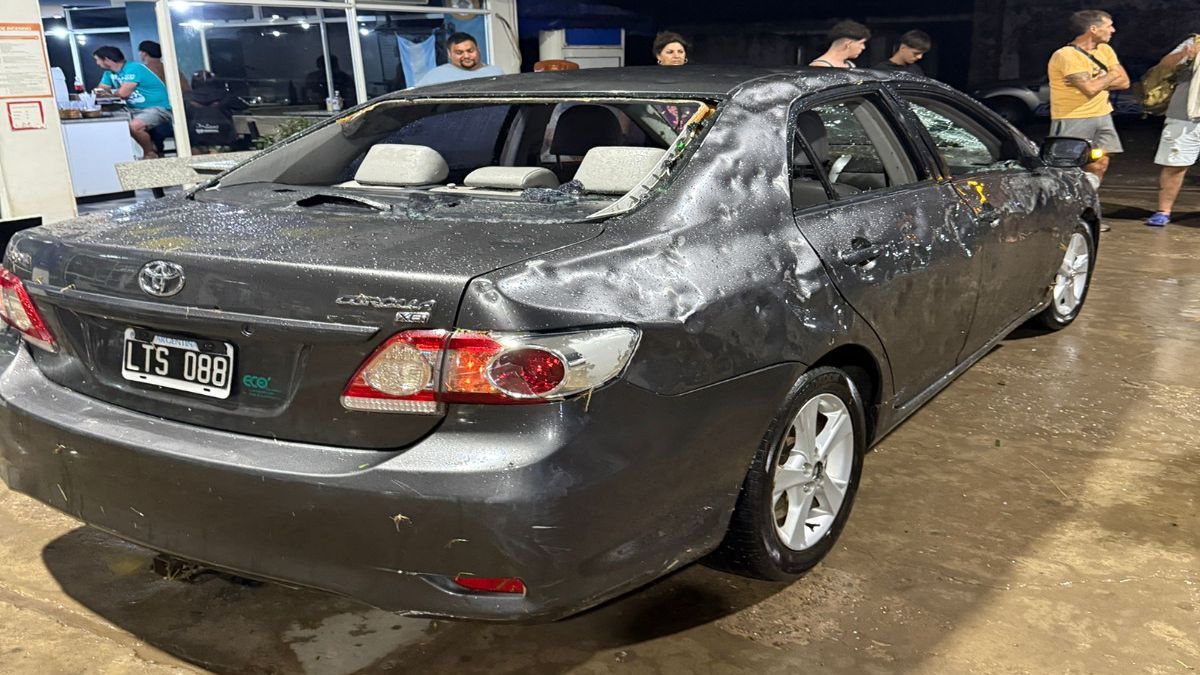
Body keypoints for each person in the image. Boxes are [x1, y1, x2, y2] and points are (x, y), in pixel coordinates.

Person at [1047, 10, 1129, 188]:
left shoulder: (1105, 50)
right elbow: (1090, 88)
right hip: (1073, 118)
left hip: (1103, 115)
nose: (1113, 30)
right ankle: (1065, 204)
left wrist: (1100, 81)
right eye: (1108, 26)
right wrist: (1111, 74)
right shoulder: (1066, 55)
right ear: (1093, 29)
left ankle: (1088, 200)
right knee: (1068, 167)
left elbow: (1124, 82)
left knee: (1100, 163)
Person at [1145, 35, 1200, 227]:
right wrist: (1185, 55)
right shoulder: (1196, 42)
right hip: (1186, 114)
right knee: (1175, 165)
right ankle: (1163, 211)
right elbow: (1164, 66)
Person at [92, 45, 172, 159]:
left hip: (158, 108)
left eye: (97, 59)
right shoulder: (109, 74)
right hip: (134, 109)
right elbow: (99, 92)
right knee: (104, 117)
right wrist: (105, 93)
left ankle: (149, 153)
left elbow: (123, 94)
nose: (97, 63)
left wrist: (110, 93)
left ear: (107, 59)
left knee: (135, 126)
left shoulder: (134, 68)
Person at [415, 33, 503, 87]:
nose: (466, 56)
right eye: (459, 52)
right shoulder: (435, 76)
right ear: (449, 54)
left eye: (470, 51)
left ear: (478, 49)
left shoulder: (495, 72)